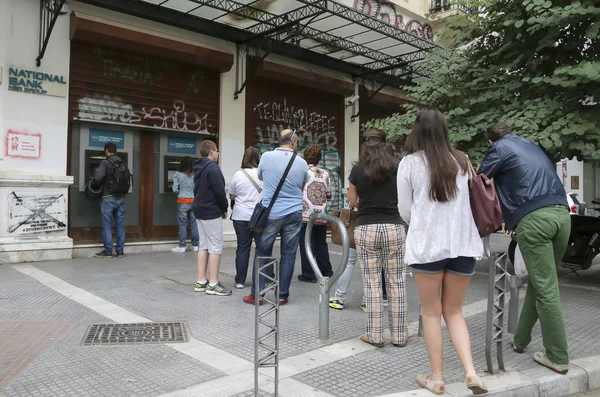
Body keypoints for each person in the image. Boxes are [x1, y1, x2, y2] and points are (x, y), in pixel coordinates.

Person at [397, 109, 487, 395]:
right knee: (455, 311)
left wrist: (424, 223)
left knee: (432, 313)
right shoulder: (462, 160)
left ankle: (437, 377)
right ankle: (471, 373)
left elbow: (405, 210)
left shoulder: (410, 163)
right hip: (462, 244)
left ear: (418, 131)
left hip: (428, 246)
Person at [478, 122, 570, 375]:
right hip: (562, 216)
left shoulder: (498, 148)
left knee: (546, 288)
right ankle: (521, 340)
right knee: (541, 281)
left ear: (490, 141)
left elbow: (479, 182)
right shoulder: (530, 144)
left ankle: (558, 356)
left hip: (534, 219)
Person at [348, 128, 407, 348]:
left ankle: (375, 335)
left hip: (366, 228)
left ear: (365, 144)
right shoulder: (398, 167)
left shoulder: (357, 170)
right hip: (394, 226)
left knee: (372, 284)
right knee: (397, 282)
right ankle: (400, 336)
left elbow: (353, 201)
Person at [243, 129, 309, 306]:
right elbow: (302, 185)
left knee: (263, 251)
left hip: (271, 212)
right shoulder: (302, 163)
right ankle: (281, 295)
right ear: (293, 142)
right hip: (294, 212)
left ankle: (257, 294)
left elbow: (261, 176)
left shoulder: (266, 157)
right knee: (289, 254)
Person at [192, 140, 231, 296]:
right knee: (215, 246)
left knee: (204, 245)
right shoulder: (213, 168)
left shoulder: (198, 167)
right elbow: (219, 192)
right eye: (217, 151)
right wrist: (224, 208)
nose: (218, 153)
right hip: (210, 210)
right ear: (211, 152)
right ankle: (213, 283)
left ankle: (201, 281)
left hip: (199, 209)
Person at [298, 145, 333, 283]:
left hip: (305, 214)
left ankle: (309, 273)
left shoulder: (303, 171)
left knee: (306, 243)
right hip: (321, 214)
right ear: (319, 157)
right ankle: (326, 270)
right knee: (321, 243)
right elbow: (328, 195)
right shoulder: (325, 174)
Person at [229, 147, 263, 289]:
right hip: (258, 217)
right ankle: (264, 278)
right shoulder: (262, 175)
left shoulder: (238, 174)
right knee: (262, 248)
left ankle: (240, 281)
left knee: (242, 247)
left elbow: (232, 195)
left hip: (240, 216)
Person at [93, 142, 126, 259]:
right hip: (121, 197)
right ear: (115, 151)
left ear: (106, 150)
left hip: (107, 197)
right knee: (120, 225)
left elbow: (97, 179)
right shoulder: (122, 162)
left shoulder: (105, 162)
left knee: (107, 225)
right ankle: (120, 251)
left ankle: (108, 251)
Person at [171, 156, 199, 253]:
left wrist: (180, 191)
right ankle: (195, 246)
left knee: (182, 224)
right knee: (194, 224)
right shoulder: (195, 175)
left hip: (182, 202)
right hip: (193, 201)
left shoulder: (177, 174)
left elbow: (175, 189)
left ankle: (182, 246)